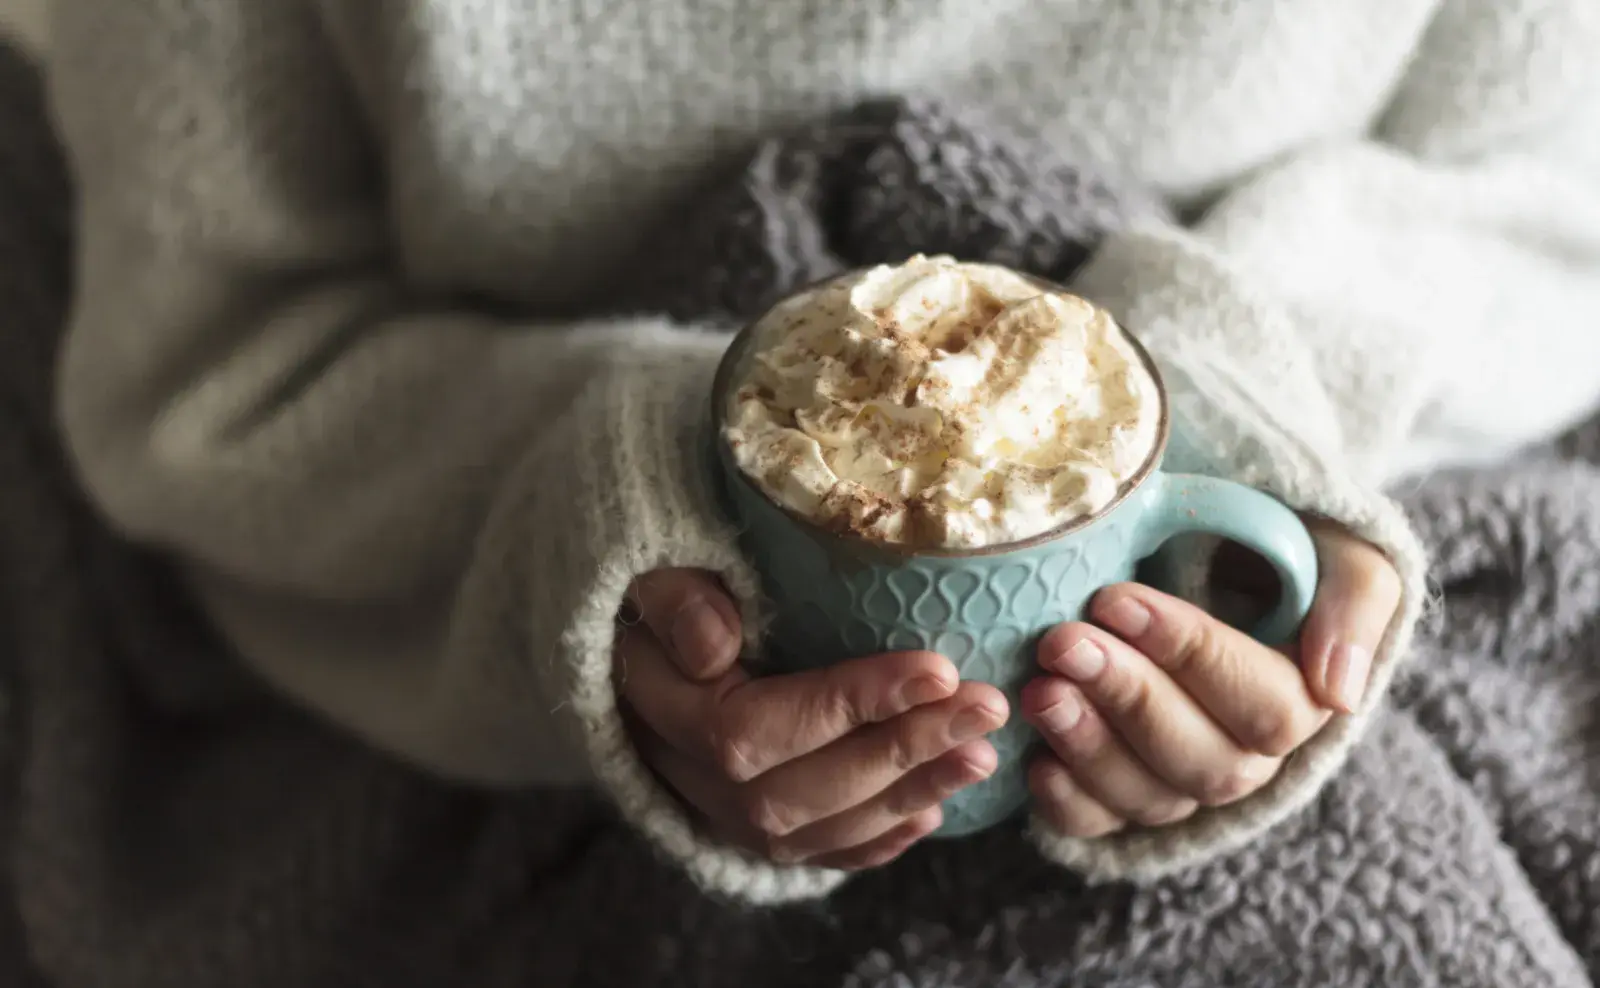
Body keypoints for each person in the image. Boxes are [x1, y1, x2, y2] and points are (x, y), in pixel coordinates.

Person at [45, 0, 1600, 904]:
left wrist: (1256, 407)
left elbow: (1545, 186)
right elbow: (225, 357)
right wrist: (587, 520)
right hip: (470, 708)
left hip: (1392, 460)